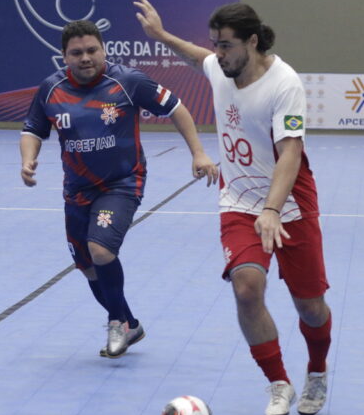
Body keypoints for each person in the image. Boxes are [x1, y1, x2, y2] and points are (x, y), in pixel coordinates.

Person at [135, 0, 333, 415]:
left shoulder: (284, 84)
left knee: (310, 307)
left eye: (226, 45)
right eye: (216, 44)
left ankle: (317, 370)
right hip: (239, 202)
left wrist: (273, 210)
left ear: (252, 42)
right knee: (246, 288)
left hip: (289, 205)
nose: (218, 53)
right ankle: (278, 382)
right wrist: (161, 35)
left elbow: (290, 153)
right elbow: (197, 58)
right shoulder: (220, 68)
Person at [19, 19, 218, 359]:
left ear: (104, 49)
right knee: (87, 266)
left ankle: (115, 323)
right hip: (77, 190)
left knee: (100, 250)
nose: (85, 58)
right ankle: (130, 323)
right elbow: (33, 130)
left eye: (92, 50)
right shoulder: (51, 89)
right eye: (76, 53)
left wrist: (198, 152)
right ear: (64, 56)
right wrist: (28, 159)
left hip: (122, 182)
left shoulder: (128, 81)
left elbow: (176, 107)